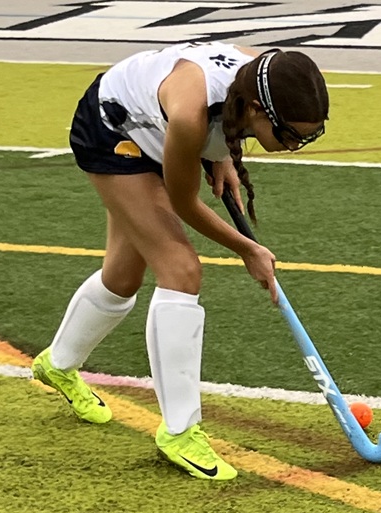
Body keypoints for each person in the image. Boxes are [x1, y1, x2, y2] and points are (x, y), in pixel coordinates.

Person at [31, 42, 330, 480]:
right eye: (288, 135)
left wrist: (222, 156)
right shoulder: (191, 114)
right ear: (256, 112)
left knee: (123, 277)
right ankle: (180, 431)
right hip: (114, 132)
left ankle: (56, 366)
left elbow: (217, 123)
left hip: (157, 129)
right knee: (181, 268)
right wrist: (248, 249)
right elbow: (184, 202)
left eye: (309, 135)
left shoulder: (262, 71)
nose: (296, 145)